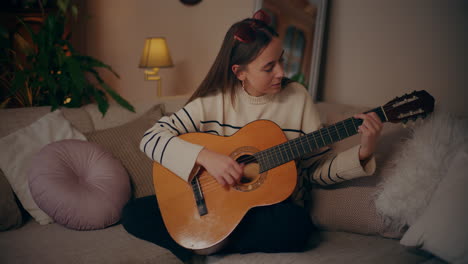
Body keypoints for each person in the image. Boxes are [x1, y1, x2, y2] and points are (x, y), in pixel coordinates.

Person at [122, 10, 383, 263]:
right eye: (269, 67)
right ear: (239, 72)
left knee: (296, 227)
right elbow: (151, 138)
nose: (281, 72)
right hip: (217, 205)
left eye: (281, 60)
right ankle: (205, 241)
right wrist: (205, 157)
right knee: (133, 213)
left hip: (270, 210)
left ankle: (209, 244)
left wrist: (363, 152)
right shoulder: (211, 103)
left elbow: (315, 169)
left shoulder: (297, 98)